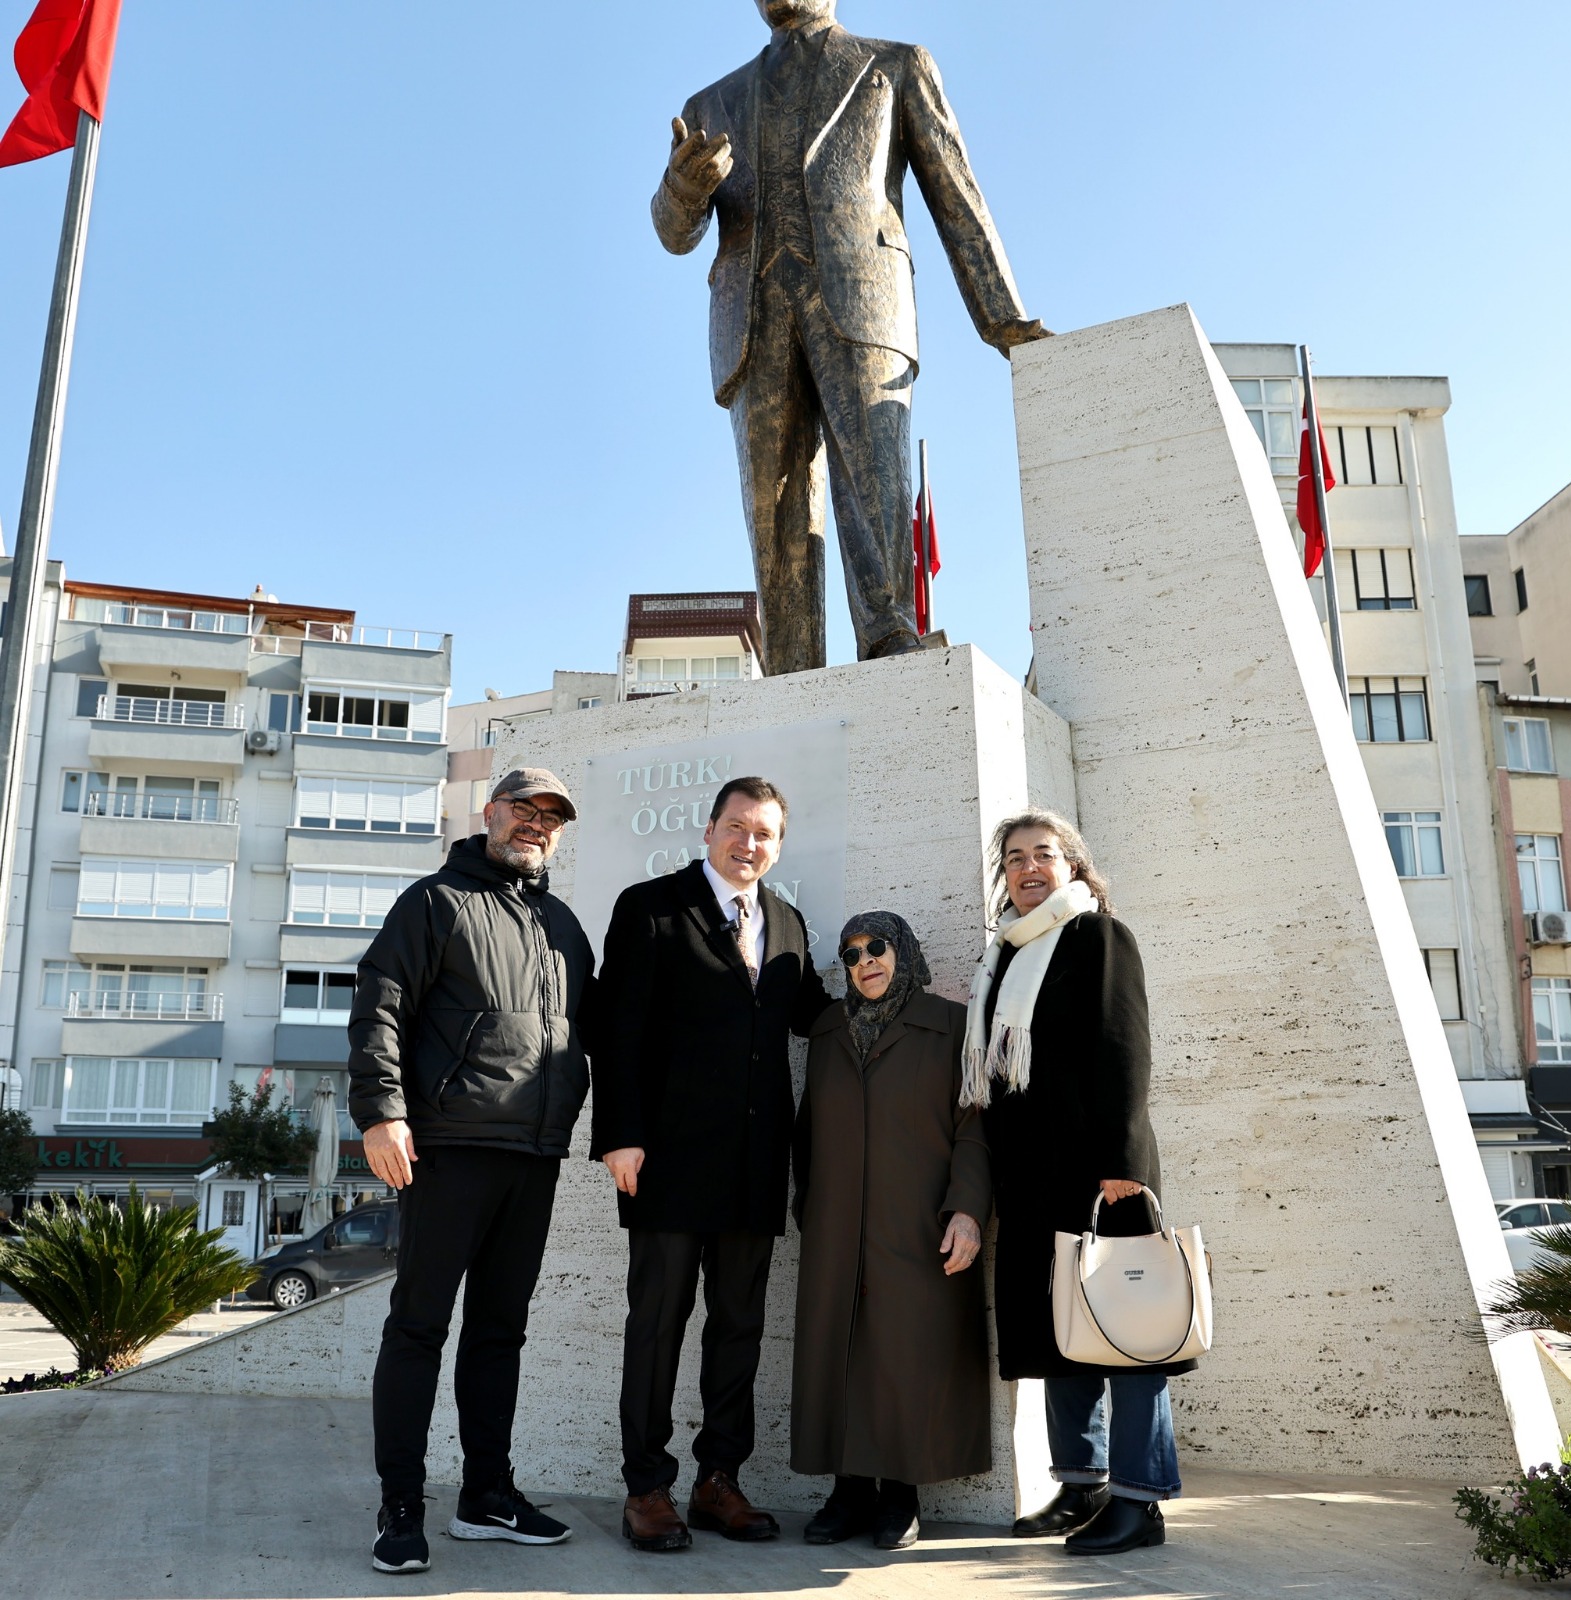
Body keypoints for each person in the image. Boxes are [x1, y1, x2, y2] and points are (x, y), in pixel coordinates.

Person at [651, 0, 1050, 675]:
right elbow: (674, 233)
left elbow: (957, 196)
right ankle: (791, 671)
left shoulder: (893, 66)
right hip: (752, 318)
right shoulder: (712, 102)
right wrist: (682, 188)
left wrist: (1003, 320)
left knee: (875, 484)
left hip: (862, 302)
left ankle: (890, 638)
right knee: (773, 510)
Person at [348, 767, 597, 1574]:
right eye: (523, 809)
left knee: (500, 1334)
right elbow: (380, 1002)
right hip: (447, 1145)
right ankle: (400, 1507)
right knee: (419, 1326)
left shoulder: (563, 924)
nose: (535, 824)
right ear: (488, 813)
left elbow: (592, 1031)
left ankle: (487, 1494)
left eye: (550, 816)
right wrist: (382, 1113)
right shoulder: (432, 902)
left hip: (534, 1153)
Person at [592, 775, 831, 1551]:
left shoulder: (789, 923)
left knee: (739, 1329)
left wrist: (909, 1011)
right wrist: (619, 1135)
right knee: (657, 1326)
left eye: (764, 833)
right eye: (737, 827)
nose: (749, 843)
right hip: (666, 1161)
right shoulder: (650, 908)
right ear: (709, 830)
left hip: (756, 1167)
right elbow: (618, 1029)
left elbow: (815, 1017)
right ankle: (647, 1487)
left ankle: (717, 1481)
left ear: (779, 845)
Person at [961, 810, 1189, 1556]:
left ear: (1074, 865)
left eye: (1045, 855)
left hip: (1103, 1177)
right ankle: (1082, 1483)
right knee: (1065, 1334)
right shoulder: (1005, 954)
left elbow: (1127, 1047)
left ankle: (1139, 1501)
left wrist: (1122, 1161)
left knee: (1129, 1339)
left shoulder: (1098, 936)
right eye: (1016, 857)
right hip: (1033, 1181)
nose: (1030, 868)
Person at [790, 912, 990, 1550]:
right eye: (851, 955)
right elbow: (807, 1130)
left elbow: (975, 1129)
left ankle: (899, 1496)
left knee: (905, 1357)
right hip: (837, 1225)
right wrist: (811, 1207)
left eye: (877, 948)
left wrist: (967, 1210)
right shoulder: (827, 1031)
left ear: (903, 951)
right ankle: (848, 1492)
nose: (865, 962)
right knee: (841, 1353)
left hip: (917, 1224)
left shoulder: (949, 1025)